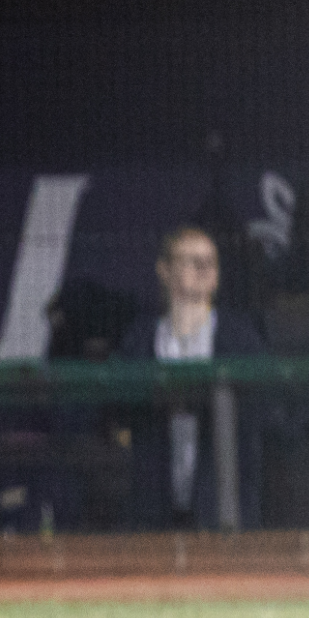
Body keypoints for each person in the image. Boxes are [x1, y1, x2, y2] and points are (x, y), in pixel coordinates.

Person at [117, 225, 266, 530]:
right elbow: (112, 409)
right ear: (164, 270)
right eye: (190, 260)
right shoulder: (141, 339)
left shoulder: (239, 338)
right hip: (154, 509)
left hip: (220, 510)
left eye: (210, 261)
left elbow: (264, 411)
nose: (203, 269)